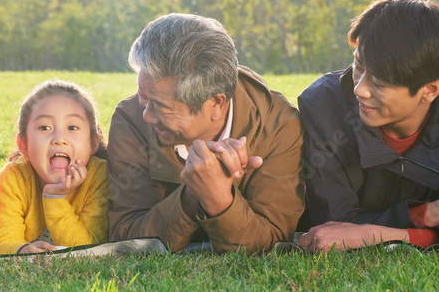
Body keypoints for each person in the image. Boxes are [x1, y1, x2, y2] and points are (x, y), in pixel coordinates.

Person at [299, 0, 439, 253]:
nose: (360, 89)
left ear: (430, 89)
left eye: (380, 83)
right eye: (358, 65)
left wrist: (372, 233)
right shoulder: (323, 104)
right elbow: (332, 226)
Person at [107, 13, 304, 253]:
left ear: (215, 104)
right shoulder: (130, 119)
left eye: (160, 106)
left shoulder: (278, 125)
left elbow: (273, 241)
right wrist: (191, 194)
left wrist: (220, 199)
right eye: (143, 95)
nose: (147, 115)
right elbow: (125, 238)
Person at [0, 80, 109, 255]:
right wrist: (20, 250)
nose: (59, 138)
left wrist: (55, 198)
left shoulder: (99, 177)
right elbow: (0, 243)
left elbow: (87, 249)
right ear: (23, 144)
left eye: (72, 127)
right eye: (45, 127)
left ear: (93, 142)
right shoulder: (13, 177)